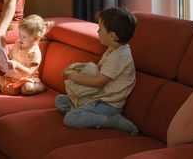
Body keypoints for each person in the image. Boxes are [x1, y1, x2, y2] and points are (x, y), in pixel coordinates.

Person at [55, 7, 139, 135]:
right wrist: (75, 68)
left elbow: (98, 82)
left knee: (70, 119)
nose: (98, 31)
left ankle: (111, 121)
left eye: (100, 29)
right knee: (60, 101)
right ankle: (82, 112)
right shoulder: (112, 48)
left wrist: (74, 77)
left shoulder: (120, 56)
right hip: (97, 98)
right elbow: (98, 67)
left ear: (112, 36)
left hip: (108, 105)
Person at [0, 14, 50, 95]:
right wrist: (1, 63)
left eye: (24, 37)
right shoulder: (18, 42)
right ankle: (14, 88)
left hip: (27, 79)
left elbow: (29, 72)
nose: (20, 38)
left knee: (27, 89)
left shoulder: (34, 53)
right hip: (11, 77)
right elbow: (9, 57)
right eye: (19, 34)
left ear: (36, 38)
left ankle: (40, 87)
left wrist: (17, 65)